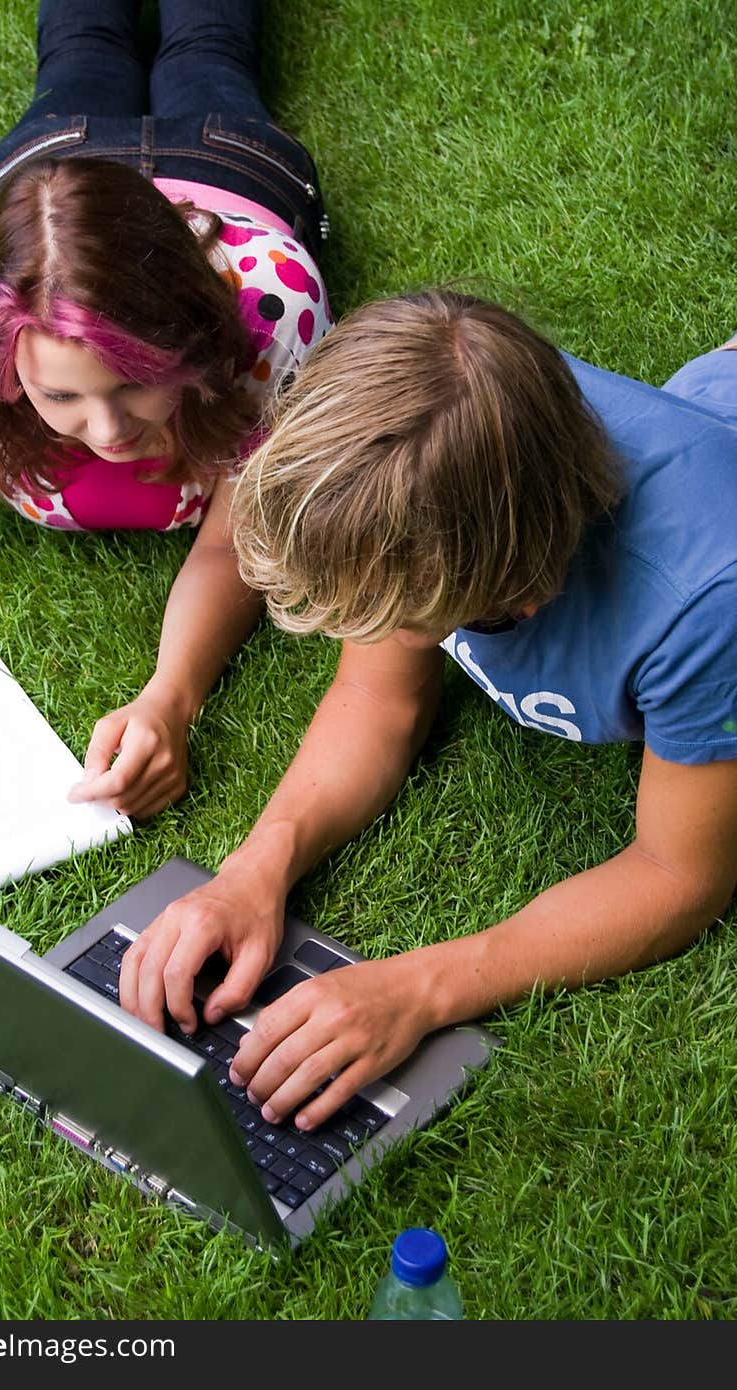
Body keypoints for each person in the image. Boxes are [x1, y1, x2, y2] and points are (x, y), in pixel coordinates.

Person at [119, 288, 737, 1135]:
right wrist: (253, 871)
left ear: (517, 589)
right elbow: (376, 696)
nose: (374, 637)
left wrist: (419, 986)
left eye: (399, 615)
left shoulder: (706, 605)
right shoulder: (443, 433)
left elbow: (680, 876)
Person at [0, 0, 331, 849]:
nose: (109, 430)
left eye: (137, 383)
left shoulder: (272, 309)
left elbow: (231, 543)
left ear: (189, 337)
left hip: (230, 169)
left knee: (208, 45)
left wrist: (170, 697)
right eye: (61, 397)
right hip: (46, 173)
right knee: (81, 42)